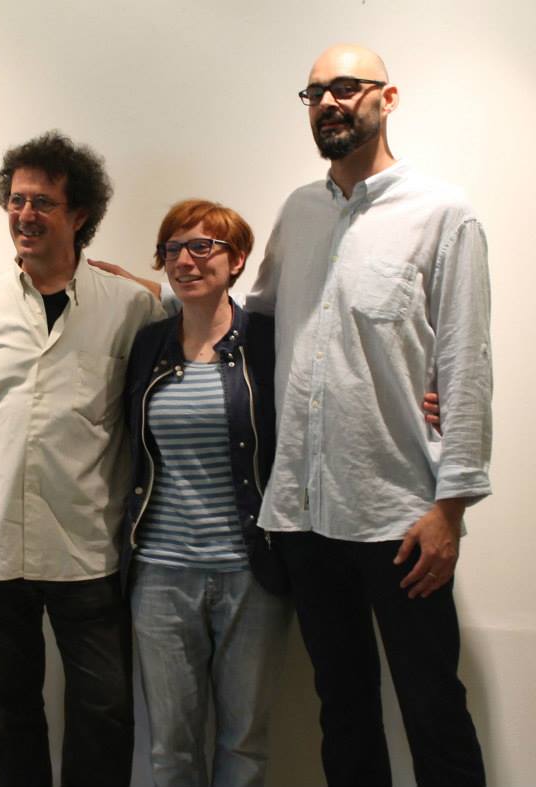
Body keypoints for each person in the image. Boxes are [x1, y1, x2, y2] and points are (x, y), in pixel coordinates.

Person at [246, 44, 492, 786]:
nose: (329, 102)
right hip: (304, 516)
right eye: (316, 92)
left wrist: (450, 508)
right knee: (343, 711)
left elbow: (466, 363)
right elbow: (256, 319)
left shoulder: (442, 213)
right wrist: (158, 299)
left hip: (402, 518)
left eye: (347, 87)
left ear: (388, 98)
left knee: (433, 710)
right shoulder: (298, 211)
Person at [0, 130, 165, 787]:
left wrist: (158, 290)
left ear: (79, 215)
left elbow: (190, 351)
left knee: (105, 713)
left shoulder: (129, 309)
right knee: (5, 715)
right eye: (17, 200)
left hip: (89, 550)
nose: (25, 214)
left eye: (43, 202)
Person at [123, 199, 292, 787]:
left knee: (243, 742)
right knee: (171, 747)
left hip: (251, 572)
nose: (185, 260)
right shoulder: (148, 346)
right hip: (160, 574)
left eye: (202, 246)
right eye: (173, 249)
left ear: (237, 259)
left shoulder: (267, 343)